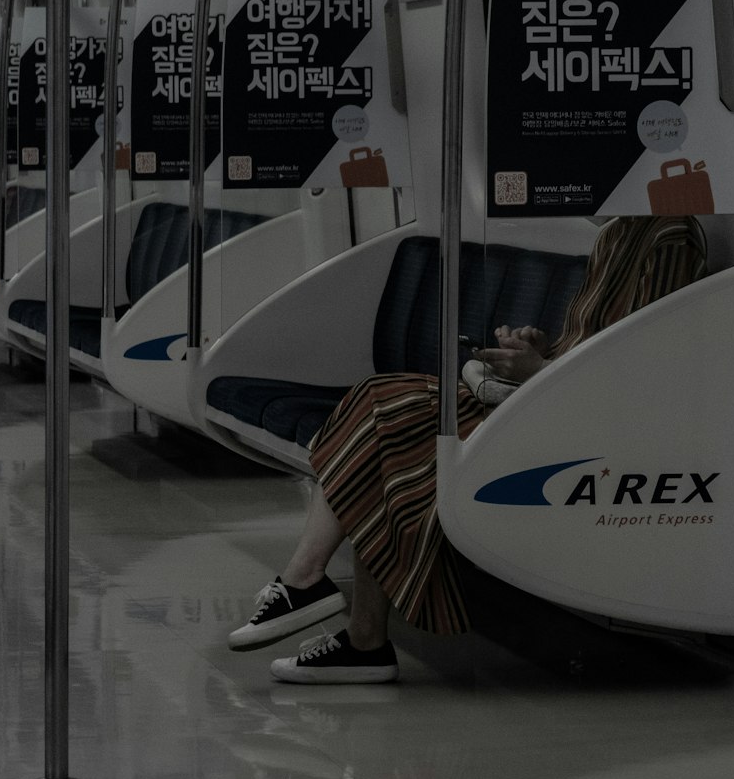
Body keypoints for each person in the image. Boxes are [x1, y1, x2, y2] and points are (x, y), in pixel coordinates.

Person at [228, 214, 708, 683]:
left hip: (572, 417)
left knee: (383, 412)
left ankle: (326, 602)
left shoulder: (669, 238)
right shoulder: (617, 234)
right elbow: (589, 344)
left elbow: (641, 371)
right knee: (375, 409)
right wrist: (541, 348)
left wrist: (538, 373)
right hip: (542, 396)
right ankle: (340, 615)